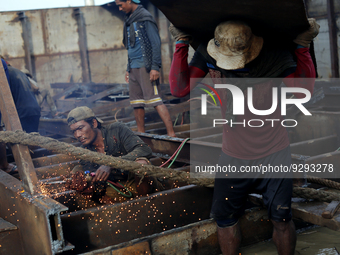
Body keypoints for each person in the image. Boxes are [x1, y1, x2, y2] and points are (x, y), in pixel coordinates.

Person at [169, 19, 319, 255]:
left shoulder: (273, 55)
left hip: (274, 153)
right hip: (233, 156)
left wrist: (302, 46)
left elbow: (304, 92)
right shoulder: (209, 54)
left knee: (281, 218)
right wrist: (181, 44)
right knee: (225, 219)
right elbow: (179, 89)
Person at [67, 106, 156, 201]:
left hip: (140, 183)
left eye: (80, 128)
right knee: (76, 172)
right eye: (73, 132)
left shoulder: (117, 130)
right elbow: (98, 187)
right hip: (117, 189)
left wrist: (112, 164)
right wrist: (90, 183)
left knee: (141, 164)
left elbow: (144, 150)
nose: (78, 135)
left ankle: (145, 203)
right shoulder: (84, 152)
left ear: (94, 123)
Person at [115, 0, 176, 137]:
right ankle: (141, 134)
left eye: (121, 5)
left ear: (129, 1)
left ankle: (172, 134)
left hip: (146, 67)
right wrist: (127, 68)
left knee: (155, 100)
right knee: (136, 103)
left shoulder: (145, 17)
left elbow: (155, 43)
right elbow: (130, 47)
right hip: (133, 68)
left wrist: (155, 67)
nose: (119, 8)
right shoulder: (129, 20)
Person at [0, 58, 41, 174]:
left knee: (15, 140)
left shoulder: (3, 72)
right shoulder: (19, 72)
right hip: (34, 109)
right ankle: (32, 168)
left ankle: (25, 170)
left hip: (20, 112)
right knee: (29, 140)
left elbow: (6, 98)